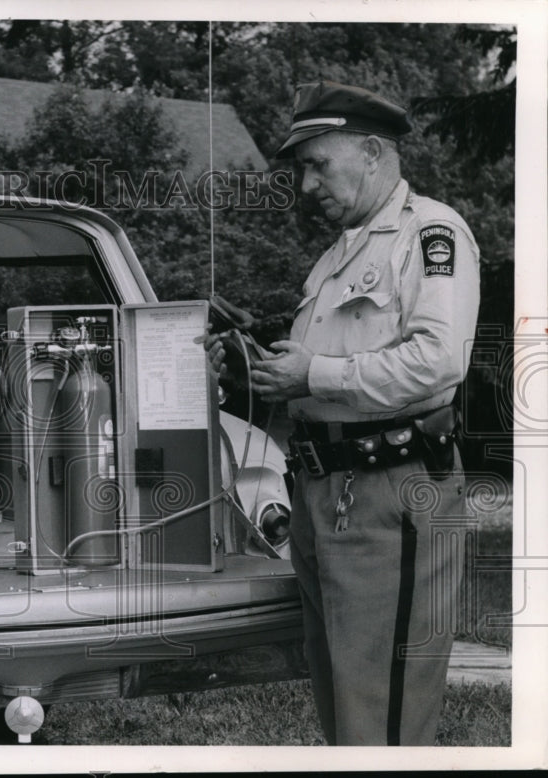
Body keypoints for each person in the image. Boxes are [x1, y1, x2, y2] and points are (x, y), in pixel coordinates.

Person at [200, 80, 480, 745]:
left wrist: (314, 372)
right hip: (327, 492)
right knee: (343, 698)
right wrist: (263, 373)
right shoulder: (340, 253)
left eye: (317, 164)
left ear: (375, 153)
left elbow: (440, 363)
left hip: (393, 490)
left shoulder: (431, 235)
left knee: (383, 710)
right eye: (301, 169)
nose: (305, 186)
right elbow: (328, 368)